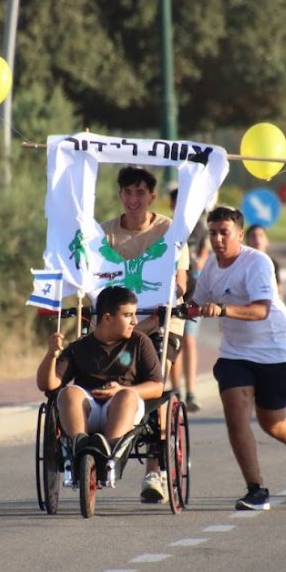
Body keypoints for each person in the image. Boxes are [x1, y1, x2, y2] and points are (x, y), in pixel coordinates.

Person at [191, 206, 286, 511]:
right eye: (213, 233)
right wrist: (178, 301)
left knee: (271, 423)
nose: (218, 239)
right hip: (235, 354)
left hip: (276, 353)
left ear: (239, 234)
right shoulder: (211, 265)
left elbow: (261, 310)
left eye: (224, 233)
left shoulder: (257, 263)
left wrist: (222, 309)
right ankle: (256, 490)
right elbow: (196, 302)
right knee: (236, 415)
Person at [99, 167, 190, 504]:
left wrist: (168, 293)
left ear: (152, 196)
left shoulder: (169, 231)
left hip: (159, 325)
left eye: (140, 193)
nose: (133, 199)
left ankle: (154, 468)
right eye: (127, 192)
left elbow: (181, 280)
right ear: (120, 195)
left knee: (155, 384)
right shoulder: (105, 233)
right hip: (115, 328)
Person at [35, 286, 164, 458]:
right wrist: (51, 354)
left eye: (134, 314)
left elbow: (157, 387)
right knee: (69, 393)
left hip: (123, 406)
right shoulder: (79, 347)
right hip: (89, 409)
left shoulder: (140, 342)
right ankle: (79, 447)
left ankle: (109, 451)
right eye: (127, 315)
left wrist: (121, 390)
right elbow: (47, 384)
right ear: (107, 318)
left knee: (126, 396)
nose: (135, 321)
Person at [169, 185, 210, 414]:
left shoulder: (200, 225)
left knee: (190, 339)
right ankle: (175, 389)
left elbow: (206, 250)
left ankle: (191, 390)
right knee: (174, 339)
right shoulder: (168, 227)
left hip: (193, 287)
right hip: (173, 287)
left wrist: (197, 264)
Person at [244, 224, 282, 299]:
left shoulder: (273, 263)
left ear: (267, 241)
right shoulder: (243, 263)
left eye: (261, 235)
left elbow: (279, 289)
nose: (257, 239)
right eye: (253, 236)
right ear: (247, 241)